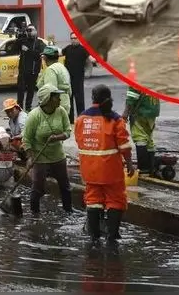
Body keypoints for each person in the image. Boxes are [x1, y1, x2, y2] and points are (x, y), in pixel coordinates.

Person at [75, 85, 136, 245]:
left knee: (93, 200)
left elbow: (79, 140)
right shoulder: (115, 119)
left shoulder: (81, 118)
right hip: (110, 171)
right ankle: (112, 237)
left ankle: (94, 238)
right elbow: (124, 146)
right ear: (109, 98)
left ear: (93, 98)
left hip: (89, 170)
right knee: (115, 200)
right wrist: (129, 164)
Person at [22, 84, 73, 215]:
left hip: (58, 156)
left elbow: (68, 132)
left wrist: (57, 137)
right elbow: (26, 139)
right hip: (41, 157)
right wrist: (30, 157)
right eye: (56, 97)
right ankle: (35, 214)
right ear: (47, 99)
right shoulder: (34, 116)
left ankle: (68, 211)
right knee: (37, 188)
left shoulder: (61, 111)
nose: (60, 99)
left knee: (65, 186)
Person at [122, 86, 160, 175]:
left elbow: (132, 98)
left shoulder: (136, 78)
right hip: (152, 111)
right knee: (149, 137)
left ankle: (143, 169)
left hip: (140, 112)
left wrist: (126, 113)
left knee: (140, 138)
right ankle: (151, 167)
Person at [37, 45, 72, 119]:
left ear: (45, 58)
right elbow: (70, 91)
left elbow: (50, 91)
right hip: (65, 102)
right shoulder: (62, 67)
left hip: (56, 106)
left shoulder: (51, 70)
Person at [62, 33, 90, 121]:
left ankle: (81, 118)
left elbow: (91, 59)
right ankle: (70, 120)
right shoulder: (67, 49)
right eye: (72, 38)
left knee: (80, 100)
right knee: (69, 99)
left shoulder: (83, 49)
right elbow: (59, 53)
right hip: (68, 78)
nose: (73, 40)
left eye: (75, 38)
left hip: (78, 78)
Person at [17, 26, 46, 110]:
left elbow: (38, 55)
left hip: (33, 71)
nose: (29, 32)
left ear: (35, 31)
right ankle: (20, 107)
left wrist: (28, 50)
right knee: (20, 90)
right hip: (23, 70)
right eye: (28, 30)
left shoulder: (39, 42)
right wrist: (20, 36)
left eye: (31, 30)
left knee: (30, 90)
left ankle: (28, 107)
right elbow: (14, 47)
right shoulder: (23, 41)